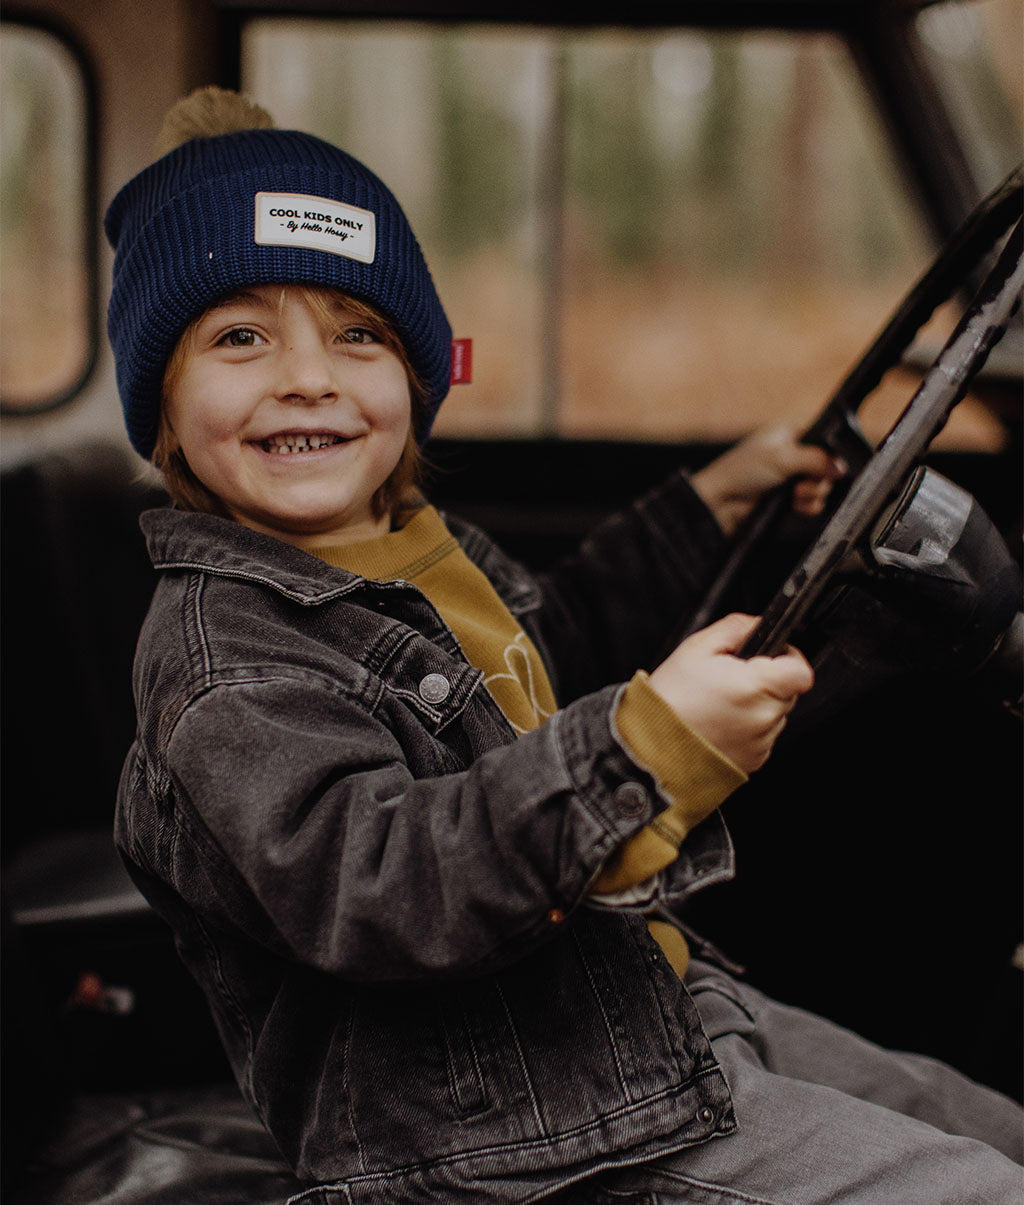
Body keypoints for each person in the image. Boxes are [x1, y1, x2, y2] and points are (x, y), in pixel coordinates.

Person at [107, 87, 1023, 1204]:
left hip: (645, 1014)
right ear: (162, 396)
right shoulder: (229, 664)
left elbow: (558, 635)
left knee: (997, 1131)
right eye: (240, 338)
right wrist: (641, 753)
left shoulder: (411, 546)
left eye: (359, 335)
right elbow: (383, 882)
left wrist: (707, 506)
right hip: (502, 1139)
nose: (309, 376)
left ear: (417, 378)